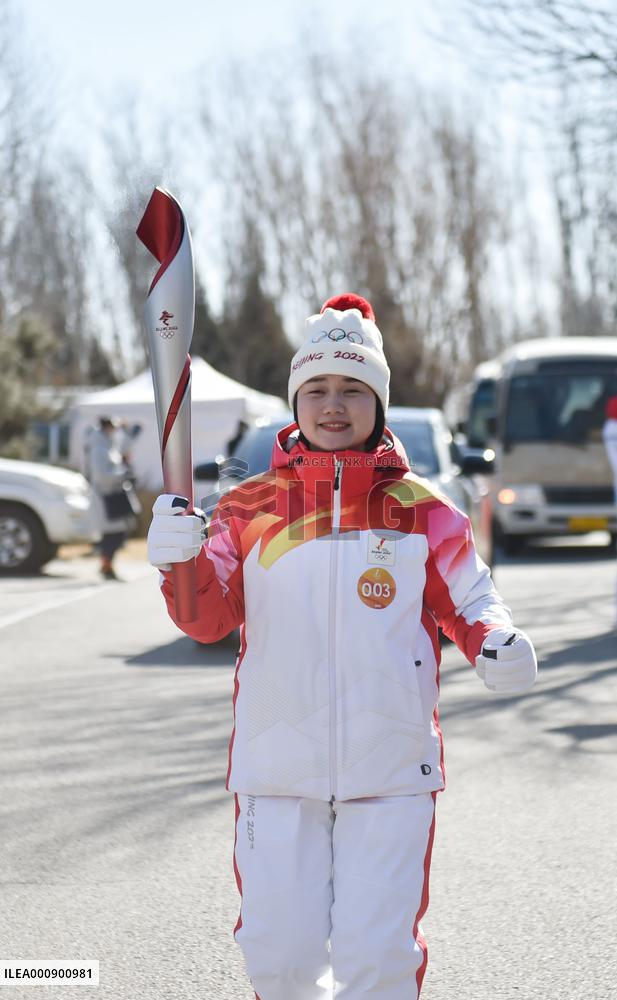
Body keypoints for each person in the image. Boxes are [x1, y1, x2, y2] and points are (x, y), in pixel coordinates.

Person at [147, 294, 538, 999]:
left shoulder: (423, 509)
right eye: (317, 388)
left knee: (377, 959)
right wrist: (179, 560)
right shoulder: (247, 509)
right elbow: (206, 619)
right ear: (296, 400)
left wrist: (495, 641)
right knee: (277, 958)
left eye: (353, 388)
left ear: (378, 402)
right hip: (275, 765)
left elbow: (468, 598)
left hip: (390, 766)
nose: (333, 404)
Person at [88, 416, 138, 580]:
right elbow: (102, 476)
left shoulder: (108, 446)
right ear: (105, 428)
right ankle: (106, 565)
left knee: (117, 533)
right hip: (106, 496)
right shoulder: (98, 449)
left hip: (114, 495)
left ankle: (107, 564)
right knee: (112, 534)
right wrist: (123, 475)